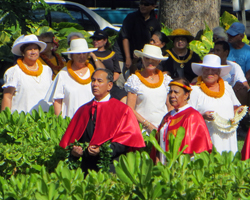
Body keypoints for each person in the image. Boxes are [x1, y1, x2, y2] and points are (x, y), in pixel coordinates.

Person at [59, 69, 145, 173]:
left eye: (99, 81)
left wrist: (104, 149)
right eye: (93, 80)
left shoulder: (122, 110)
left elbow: (128, 139)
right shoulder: (84, 110)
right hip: (88, 168)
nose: (95, 84)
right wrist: (76, 151)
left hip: (113, 166)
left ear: (109, 85)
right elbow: (74, 140)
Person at [189, 54, 246, 155]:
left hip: (228, 135)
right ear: (202, 71)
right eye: (206, 69)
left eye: (214, 70)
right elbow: (188, 116)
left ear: (219, 72)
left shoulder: (227, 88)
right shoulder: (195, 91)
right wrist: (202, 116)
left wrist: (238, 111)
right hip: (207, 137)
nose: (210, 73)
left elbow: (235, 107)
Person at [158, 78, 212, 164]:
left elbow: (191, 150)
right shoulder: (167, 117)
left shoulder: (192, 116)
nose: (172, 95)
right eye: (170, 92)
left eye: (176, 92)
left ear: (186, 95)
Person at [113, 0, 161, 87]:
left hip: (139, 55)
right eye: (141, 4)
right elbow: (125, 37)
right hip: (122, 54)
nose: (143, 6)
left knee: (136, 82)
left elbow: (153, 41)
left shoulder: (155, 22)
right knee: (121, 82)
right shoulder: (131, 17)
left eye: (146, 4)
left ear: (153, 6)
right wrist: (128, 58)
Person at [125, 44, 171, 133]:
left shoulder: (165, 80)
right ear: (142, 59)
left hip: (163, 128)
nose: (150, 61)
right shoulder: (135, 80)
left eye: (153, 59)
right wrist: (147, 125)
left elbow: (170, 105)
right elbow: (129, 108)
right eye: (147, 58)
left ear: (159, 61)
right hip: (142, 129)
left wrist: (167, 122)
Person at [45, 38, 97, 118]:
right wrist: (59, 120)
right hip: (70, 119)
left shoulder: (93, 73)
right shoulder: (63, 74)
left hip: (90, 120)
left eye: (84, 54)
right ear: (71, 56)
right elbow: (57, 100)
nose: (82, 56)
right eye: (78, 54)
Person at [2, 34, 52, 113]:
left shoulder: (47, 70)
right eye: (29, 49)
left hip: (44, 119)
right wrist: (5, 120)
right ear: (23, 52)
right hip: (21, 119)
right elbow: (7, 97)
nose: (33, 52)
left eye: (35, 49)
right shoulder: (14, 71)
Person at [90, 30, 127, 103]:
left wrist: (109, 82)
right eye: (94, 39)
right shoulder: (90, 54)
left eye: (98, 39)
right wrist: (93, 56)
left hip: (110, 84)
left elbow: (116, 72)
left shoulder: (112, 54)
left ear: (105, 40)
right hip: (94, 84)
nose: (95, 41)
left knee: (123, 98)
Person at [213, 40, 249, 105]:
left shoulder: (234, 66)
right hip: (215, 94)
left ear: (226, 52)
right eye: (214, 50)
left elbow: (245, 84)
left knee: (242, 90)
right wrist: (231, 89)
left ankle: (243, 113)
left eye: (218, 50)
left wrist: (240, 85)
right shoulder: (210, 68)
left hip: (232, 96)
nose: (215, 53)